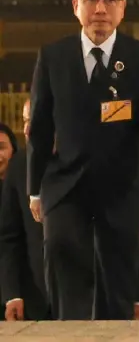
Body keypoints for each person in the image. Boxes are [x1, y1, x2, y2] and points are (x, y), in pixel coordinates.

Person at [27, 0, 139, 320]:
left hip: (122, 185)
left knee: (118, 277)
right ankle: (67, 331)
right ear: (75, 5)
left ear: (123, 6)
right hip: (65, 183)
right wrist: (35, 189)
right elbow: (41, 129)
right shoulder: (52, 57)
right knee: (61, 254)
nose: (100, 9)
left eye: (110, 0)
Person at [0, 106, 48, 322]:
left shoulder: (86, 159)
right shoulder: (18, 167)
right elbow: (10, 237)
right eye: (25, 120)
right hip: (34, 298)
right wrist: (11, 294)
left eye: (33, 119)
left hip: (84, 293)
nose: (28, 127)